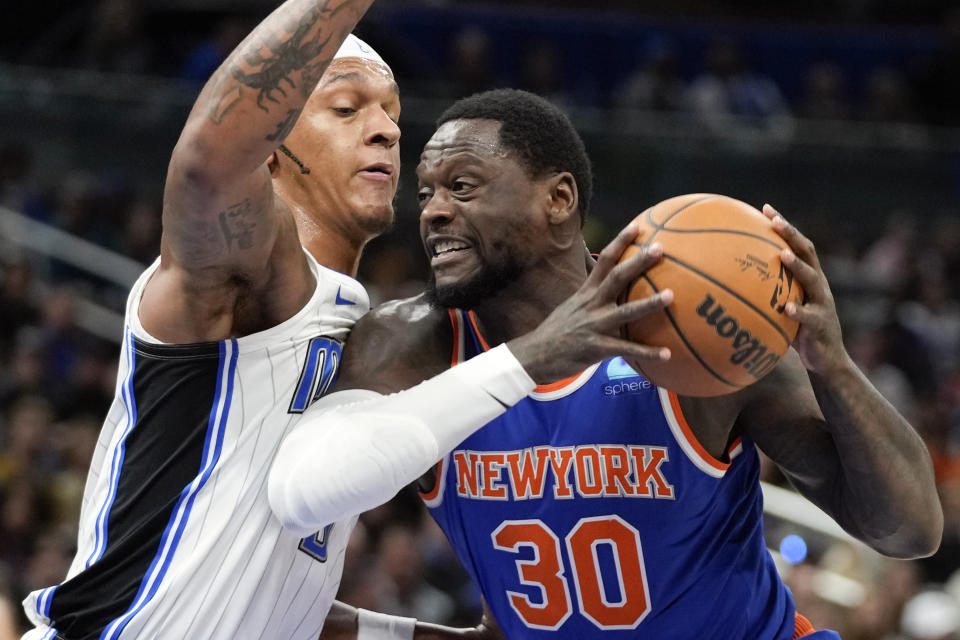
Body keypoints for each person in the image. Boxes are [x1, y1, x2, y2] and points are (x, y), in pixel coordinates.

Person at [272, 89, 943, 639]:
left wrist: (833, 366)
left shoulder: (695, 324)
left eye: (464, 187)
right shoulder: (408, 345)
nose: (436, 213)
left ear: (558, 201)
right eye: (425, 195)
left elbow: (908, 529)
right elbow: (304, 493)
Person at [18, 2, 488, 639]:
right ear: (270, 150)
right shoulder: (251, 273)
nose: (386, 130)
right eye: (347, 109)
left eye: (392, 114)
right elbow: (206, 163)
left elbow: (278, 601)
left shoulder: (356, 318)